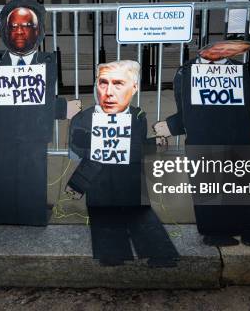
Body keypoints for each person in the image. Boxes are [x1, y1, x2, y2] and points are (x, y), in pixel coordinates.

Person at [154, 40, 250, 247]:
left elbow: (240, 108)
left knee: (245, 182)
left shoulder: (239, 69)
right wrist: (171, 126)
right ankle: (214, 231)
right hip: (202, 136)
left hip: (236, 137)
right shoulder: (185, 72)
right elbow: (184, 110)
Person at [66, 60, 179, 266]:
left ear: (134, 87)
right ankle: (112, 252)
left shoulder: (138, 116)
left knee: (139, 212)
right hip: (97, 181)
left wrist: (153, 145)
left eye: (118, 84)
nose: (108, 92)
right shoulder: (83, 118)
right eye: (103, 83)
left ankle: (158, 252)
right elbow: (77, 148)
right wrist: (79, 182)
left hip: (130, 178)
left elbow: (134, 148)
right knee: (102, 214)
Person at [0, 0, 81, 226]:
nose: (19, 31)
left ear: (39, 31)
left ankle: (30, 214)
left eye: (26, 25)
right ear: (4, 31)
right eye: (13, 25)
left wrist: (61, 108)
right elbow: (9, 97)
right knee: (1, 174)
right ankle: (1, 215)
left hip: (34, 133)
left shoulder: (44, 63)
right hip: (1, 134)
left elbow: (39, 101)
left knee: (32, 174)